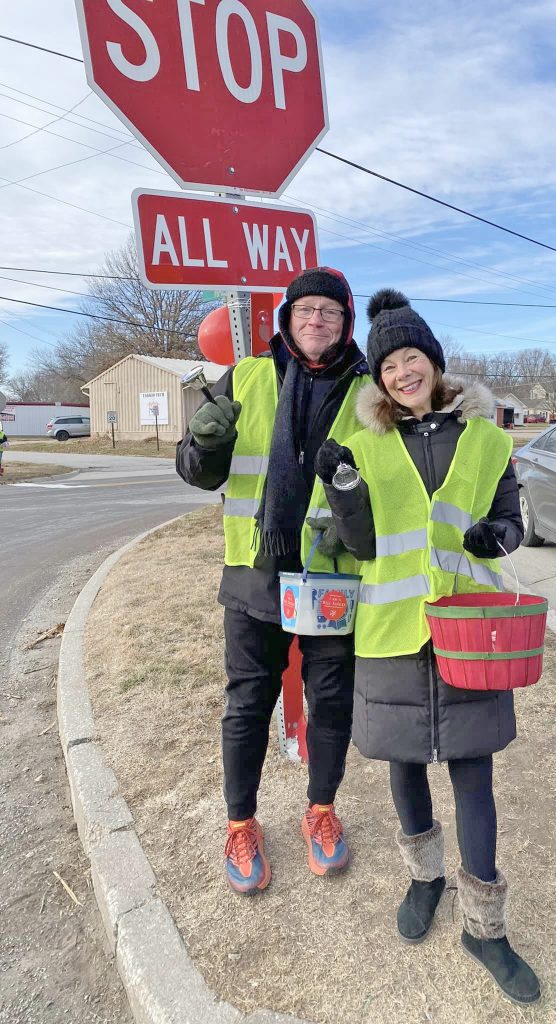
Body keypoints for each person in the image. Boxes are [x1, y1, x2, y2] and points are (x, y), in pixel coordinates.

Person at [315, 289, 541, 1004]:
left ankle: (485, 928)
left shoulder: (488, 440)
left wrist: (497, 536)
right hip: (391, 631)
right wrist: (341, 486)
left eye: (411, 357)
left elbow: (510, 519)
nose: (402, 373)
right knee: (404, 765)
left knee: (474, 773)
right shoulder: (364, 445)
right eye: (388, 366)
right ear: (378, 379)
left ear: (435, 362)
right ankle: (425, 879)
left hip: (470, 629)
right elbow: (358, 544)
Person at [176, 267, 370, 895]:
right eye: (306, 308)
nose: (317, 320)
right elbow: (197, 471)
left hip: (332, 573)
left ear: (346, 323)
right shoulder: (247, 377)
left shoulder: (371, 393)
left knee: (331, 701)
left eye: (331, 311)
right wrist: (205, 443)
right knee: (247, 704)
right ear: (287, 318)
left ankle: (321, 810)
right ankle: (240, 824)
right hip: (255, 572)